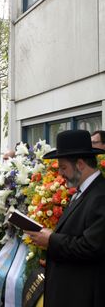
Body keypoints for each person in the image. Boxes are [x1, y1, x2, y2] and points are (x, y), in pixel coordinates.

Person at [26, 130, 105, 307]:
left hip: (82, 294)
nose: (60, 174)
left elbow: (91, 247)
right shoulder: (81, 192)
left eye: (63, 167)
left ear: (80, 164)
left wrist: (51, 240)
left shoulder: (100, 195)